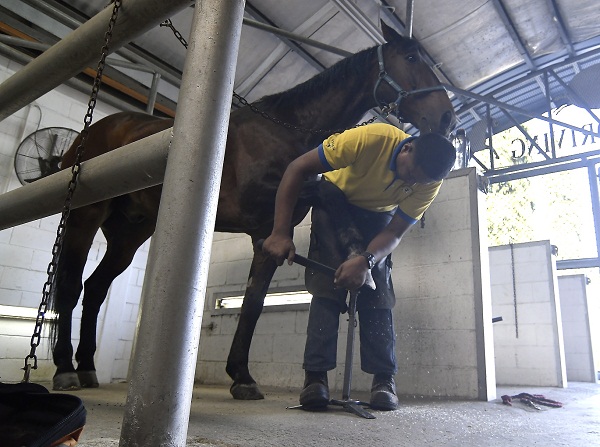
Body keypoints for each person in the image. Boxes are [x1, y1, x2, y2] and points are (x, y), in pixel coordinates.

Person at [262, 122, 456, 411]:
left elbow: (395, 233)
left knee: (377, 292)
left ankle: (384, 381)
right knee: (328, 285)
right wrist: (280, 232)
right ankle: (315, 378)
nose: (412, 183)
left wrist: (366, 260)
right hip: (333, 197)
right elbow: (297, 168)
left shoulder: (428, 181)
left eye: (420, 182)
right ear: (407, 148)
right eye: (410, 174)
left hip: (377, 216)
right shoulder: (370, 139)